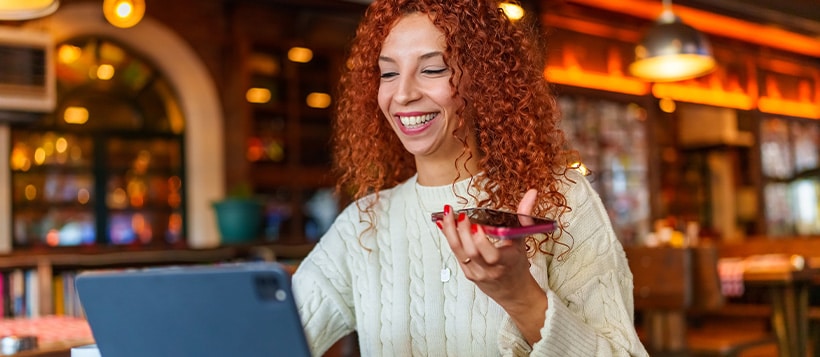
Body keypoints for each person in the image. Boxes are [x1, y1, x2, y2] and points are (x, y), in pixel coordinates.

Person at [292, 0, 648, 356]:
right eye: (388, 74)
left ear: (483, 79)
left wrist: (521, 298)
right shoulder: (363, 225)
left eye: (432, 70)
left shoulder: (562, 199)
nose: (402, 94)